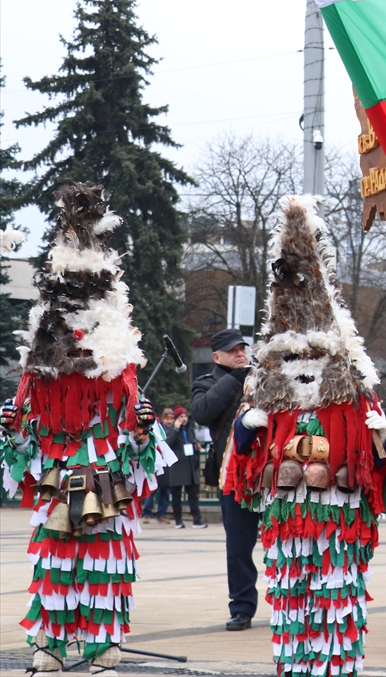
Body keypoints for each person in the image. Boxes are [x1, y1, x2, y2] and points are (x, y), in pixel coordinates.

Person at [225, 196, 386, 677]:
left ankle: (336, 668)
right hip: (285, 524)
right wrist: (244, 431)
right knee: (289, 600)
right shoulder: (270, 405)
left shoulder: (356, 403)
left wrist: (384, 439)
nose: (304, 369)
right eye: (292, 361)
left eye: (315, 359)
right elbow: (239, 471)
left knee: (336, 599)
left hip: (339, 525)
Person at [0, 184, 170, 677]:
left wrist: (141, 433)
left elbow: (145, 456)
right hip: (58, 485)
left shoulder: (122, 380)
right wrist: (11, 432)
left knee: (104, 570)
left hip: (107, 486)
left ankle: (100, 651)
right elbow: (20, 455)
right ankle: (50, 648)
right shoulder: (39, 382)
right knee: (53, 566)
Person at [191, 327, 258, 632]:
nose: (240, 353)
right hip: (234, 478)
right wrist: (235, 378)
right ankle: (242, 608)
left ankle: (293, 600)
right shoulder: (207, 383)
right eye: (233, 350)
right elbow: (202, 412)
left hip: (271, 476)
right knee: (239, 547)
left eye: (243, 348)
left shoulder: (263, 379)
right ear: (217, 357)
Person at [164, 406, 206, 528]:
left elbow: (193, 442)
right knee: (176, 496)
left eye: (185, 416)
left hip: (190, 466)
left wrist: (197, 447)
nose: (184, 419)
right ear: (176, 419)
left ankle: (197, 519)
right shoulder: (171, 430)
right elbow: (167, 444)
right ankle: (178, 520)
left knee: (193, 495)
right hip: (177, 467)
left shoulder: (190, 429)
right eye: (181, 417)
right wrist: (176, 429)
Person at [142, 408, 174, 523]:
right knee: (152, 488)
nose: (169, 421)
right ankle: (146, 513)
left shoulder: (174, 430)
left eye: (171, 419)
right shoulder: (157, 429)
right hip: (155, 461)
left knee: (165, 490)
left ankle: (162, 513)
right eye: (167, 419)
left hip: (166, 463)